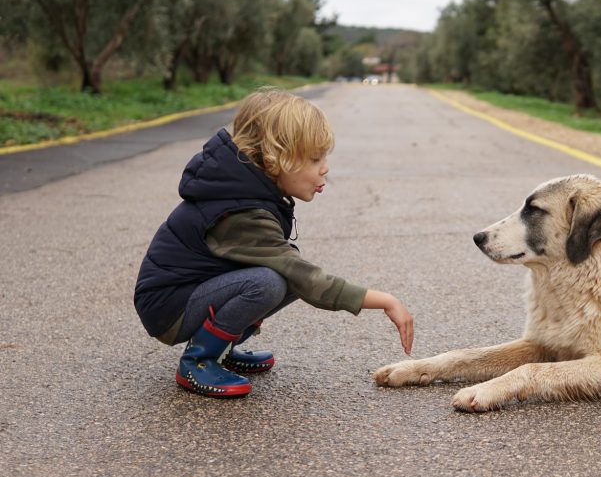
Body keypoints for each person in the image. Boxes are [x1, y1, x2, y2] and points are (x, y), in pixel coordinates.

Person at [134, 86, 413, 398]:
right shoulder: (240, 212)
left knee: (287, 273)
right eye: (315, 158)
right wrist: (385, 300)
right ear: (275, 159)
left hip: (188, 294)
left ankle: (221, 349)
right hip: (169, 309)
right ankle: (199, 360)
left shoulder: (248, 192)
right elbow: (306, 278)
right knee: (270, 280)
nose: (325, 168)